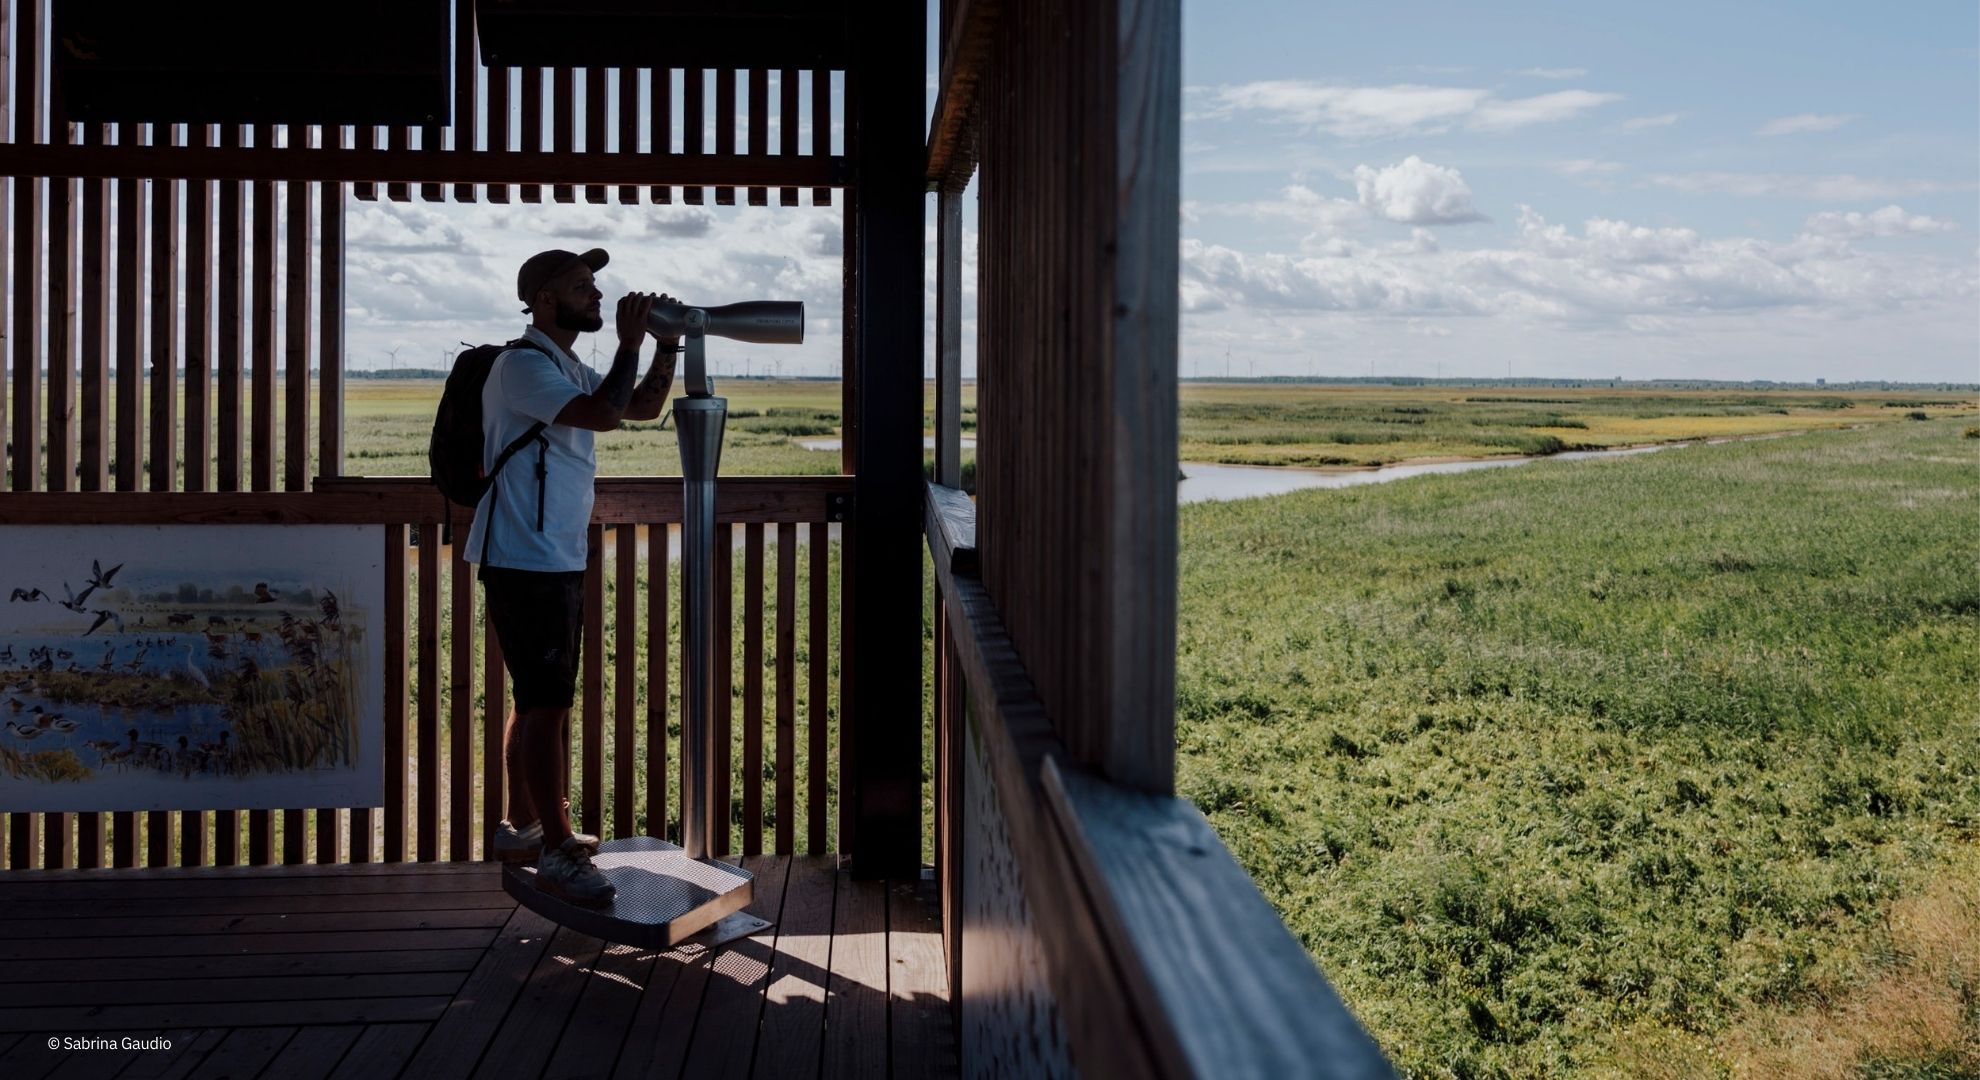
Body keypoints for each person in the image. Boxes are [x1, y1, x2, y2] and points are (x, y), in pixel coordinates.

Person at [469, 248, 677, 906]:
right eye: (582, 287)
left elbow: (636, 407)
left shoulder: (560, 365)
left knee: (536, 699)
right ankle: (557, 851)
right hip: (523, 556)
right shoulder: (521, 367)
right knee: (549, 703)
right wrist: (628, 340)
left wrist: (664, 348)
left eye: (595, 285)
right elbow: (602, 414)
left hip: (548, 554)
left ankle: (525, 826)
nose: (597, 294)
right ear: (543, 300)